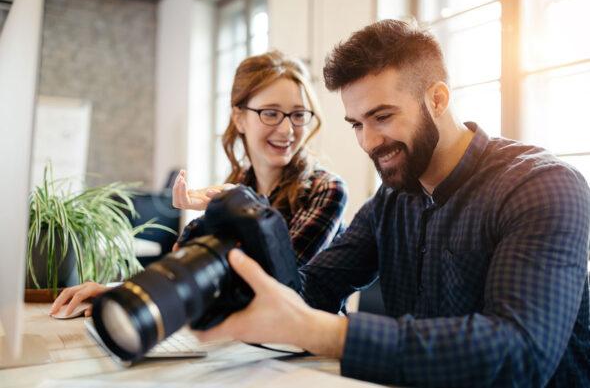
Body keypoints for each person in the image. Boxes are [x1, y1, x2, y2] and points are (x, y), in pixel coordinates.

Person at [193, 20, 590, 387]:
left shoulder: (542, 187)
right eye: (356, 124)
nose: (367, 142)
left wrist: (322, 331)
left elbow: (518, 353)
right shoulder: (393, 199)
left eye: (382, 117)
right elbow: (312, 287)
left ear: (437, 99)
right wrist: (235, 245)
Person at [50, 51, 347, 317]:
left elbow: (278, 283)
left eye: (298, 115)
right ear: (239, 118)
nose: (287, 129)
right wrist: (124, 291)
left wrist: (235, 203)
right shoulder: (239, 184)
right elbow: (191, 263)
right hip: (249, 346)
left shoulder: (326, 191)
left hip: (311, 354)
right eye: (270, 113)